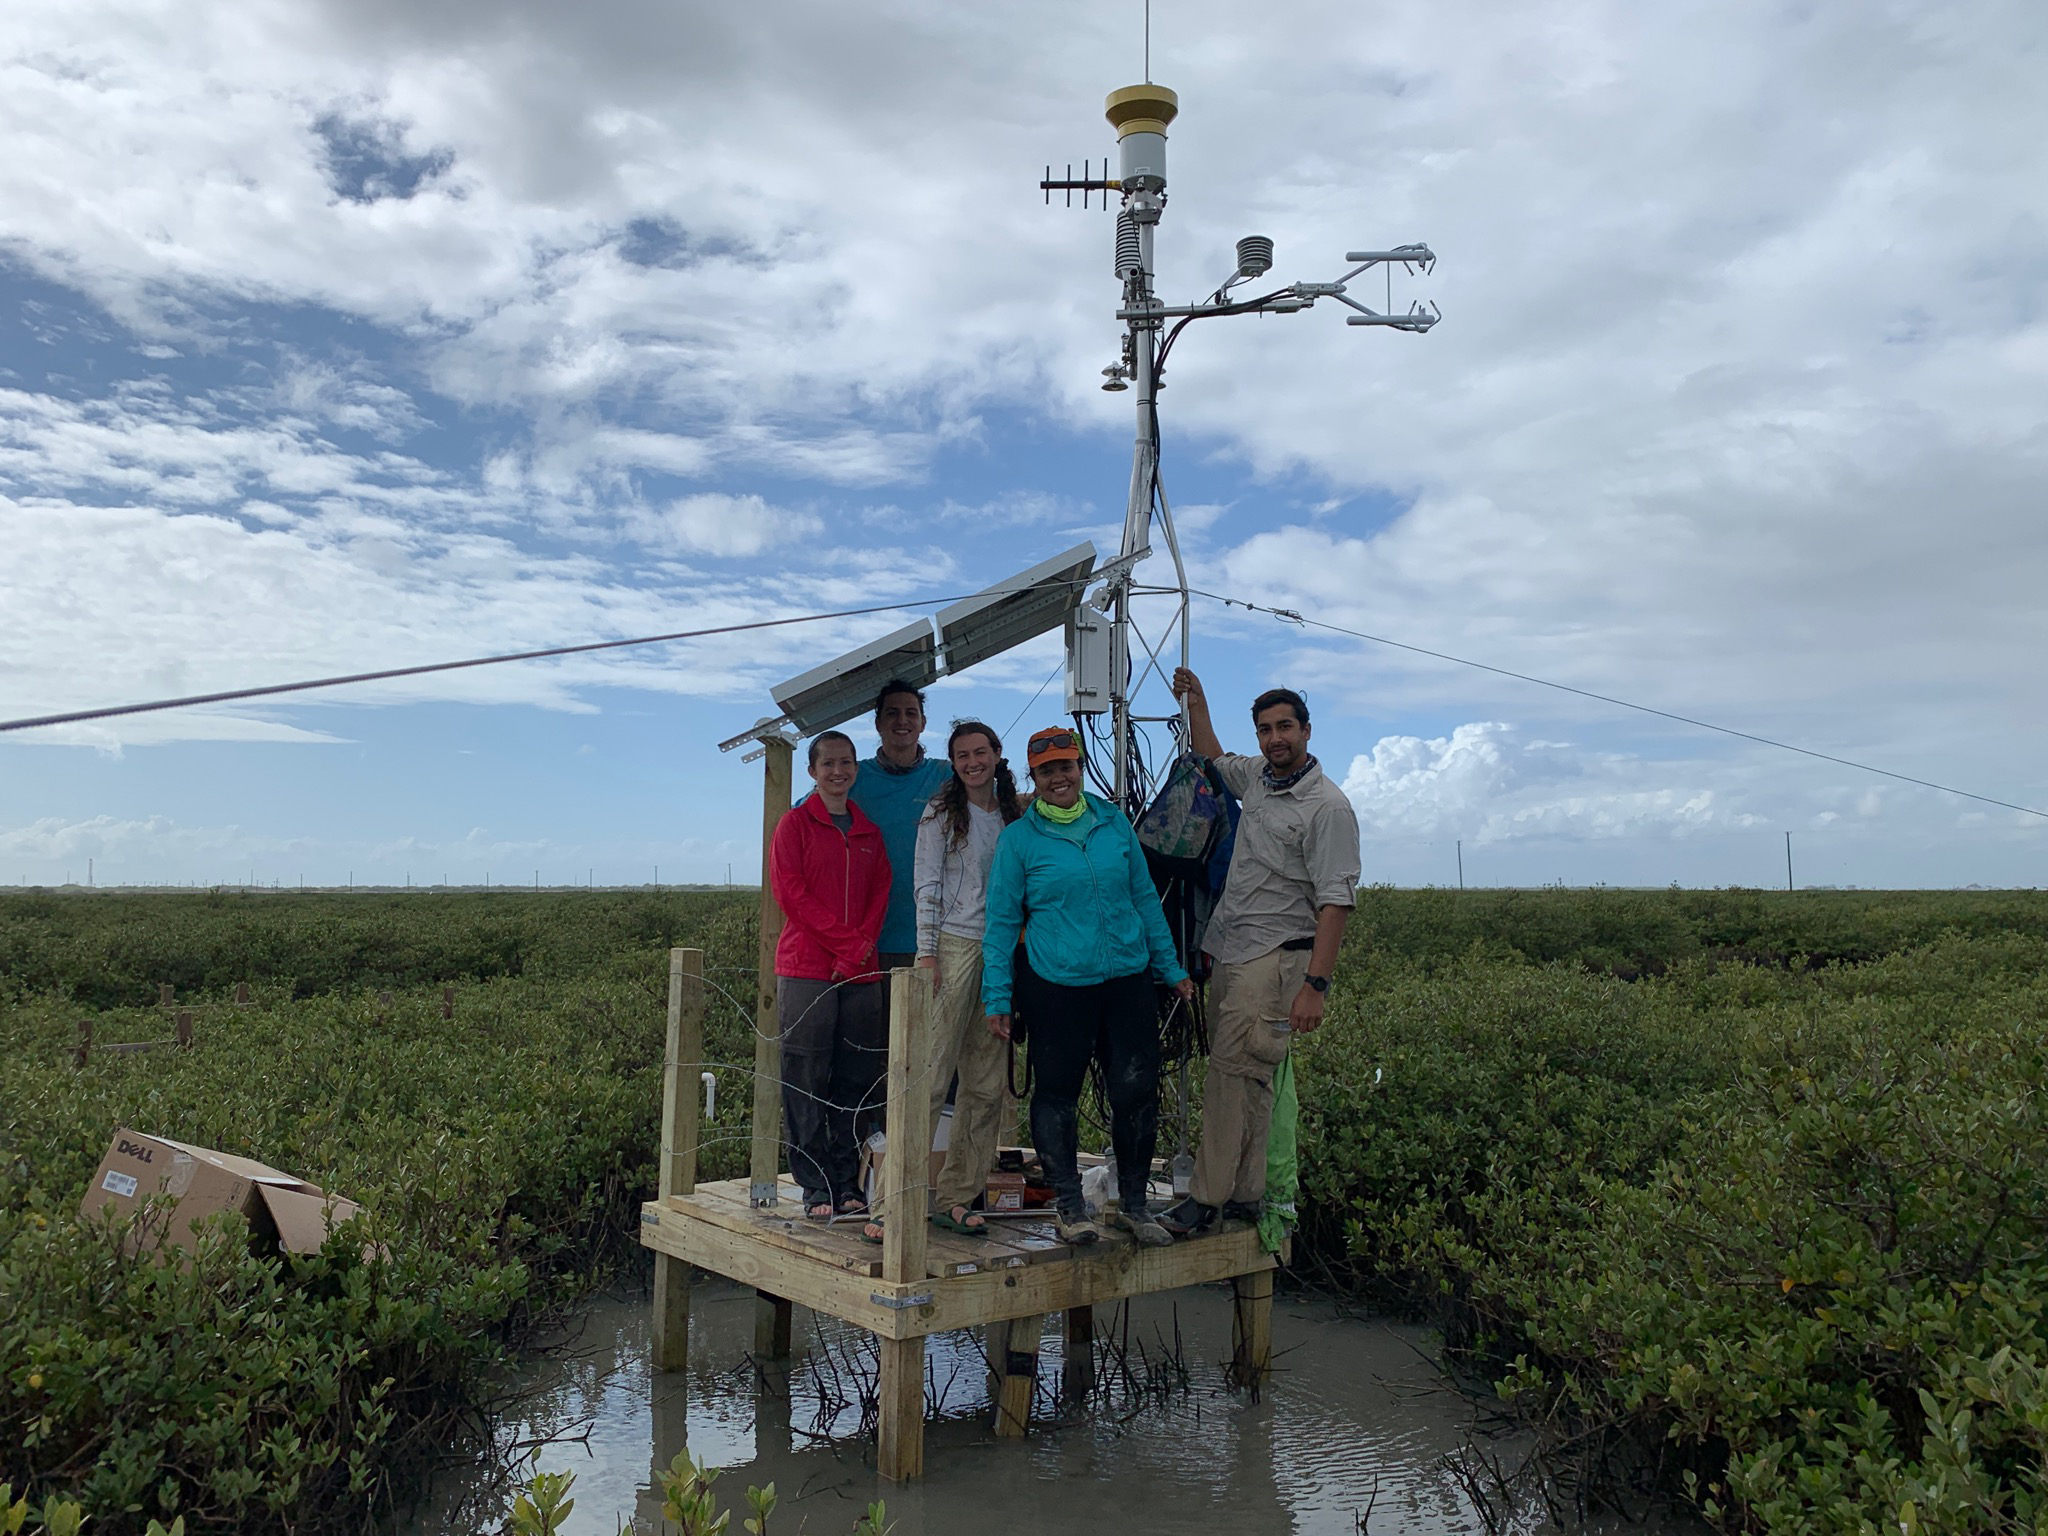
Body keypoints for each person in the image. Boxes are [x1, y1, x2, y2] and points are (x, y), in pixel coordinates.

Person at [1160, 669, 1360, 1238]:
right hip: (1234, 950)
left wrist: (1314, 987)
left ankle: (1204, 1200)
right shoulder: (1259, 780)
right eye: (1266, 729)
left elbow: (1336, 905)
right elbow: (1214, 756)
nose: (1276, 738)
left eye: (1286, 728)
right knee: (1252, 1078)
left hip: (1276, 960)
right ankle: (1245, 1196)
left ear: (1307, 731)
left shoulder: (1328, 808)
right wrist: (1196, 701)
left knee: (1228, 1074)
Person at [982, 725, 1195, 1247]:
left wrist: (1172, 969)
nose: (1059, 777)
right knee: (1056, 1094)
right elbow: (1002, 923)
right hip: (1056, 984)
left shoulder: (1113, 821)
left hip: (1127, 977)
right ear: (1033, 777)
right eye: (1047, 770)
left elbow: (1145, 900)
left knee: (1137, 1091)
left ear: (1079, 768)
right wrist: (998, 996)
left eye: (1066, 766)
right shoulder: (1018, 840)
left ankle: (1136, 1205)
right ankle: (1071, 1207)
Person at [769, 730, 891, 1223]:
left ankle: (848, 1182)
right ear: (813, 772)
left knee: (857, 1079)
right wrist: (847, 947)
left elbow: (880, 893)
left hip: (861, 974)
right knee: (806, 1078)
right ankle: (814, 1185)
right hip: (806, 969)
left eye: (846, 763)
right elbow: (791, 894)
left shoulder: (869, 833)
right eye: (828, 764)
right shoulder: (794, 826)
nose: (838, 772)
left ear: (856, 770)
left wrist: (857, 951)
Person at [913, 721, 1025, 1238]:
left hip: (1000, 950)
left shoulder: (1014, 813)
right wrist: (927, 954)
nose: (973, 761)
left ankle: (957, 1196)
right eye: (963, 754)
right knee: (930, 1076)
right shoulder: (939, 814)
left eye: (981, 752)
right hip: (953, 944)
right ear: (953, 761)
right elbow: (927, 886)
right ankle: (896, 1200)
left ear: (997, 755)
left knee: (985, 1085)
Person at [848, 680, 951, 973]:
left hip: (933, 942)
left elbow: (992, 803)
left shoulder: (945, 775)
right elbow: (800, 815)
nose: (902, 720)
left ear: (923, 722)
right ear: (878, 723)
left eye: (911, 713)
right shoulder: (854, 776)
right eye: (892, 713)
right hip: (868, 939)